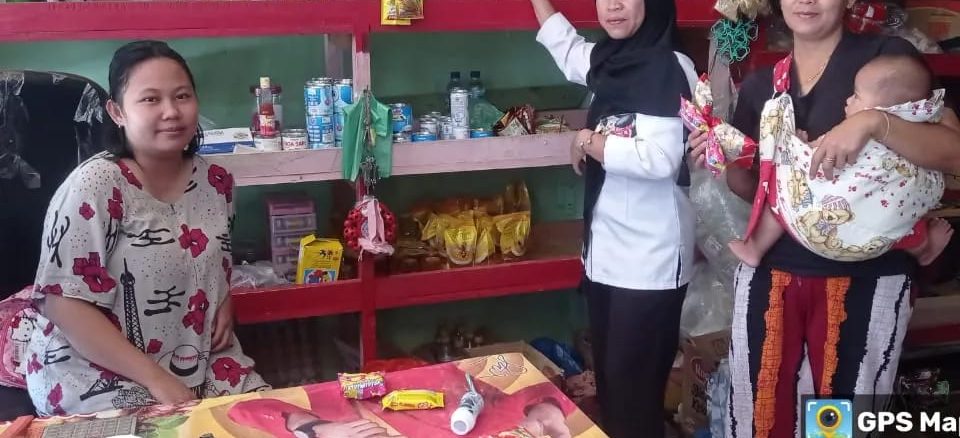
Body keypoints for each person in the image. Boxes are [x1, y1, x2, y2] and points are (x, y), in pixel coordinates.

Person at [687, 0, 960, 434]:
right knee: (761, 412)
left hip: (864, 282)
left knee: (837, 419)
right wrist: (725, 163)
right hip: (773, 275)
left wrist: (873, 123)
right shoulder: (762, 86)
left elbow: (953, 152)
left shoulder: (886, 63)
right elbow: (758, 189)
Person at [25, 40, 269, 416]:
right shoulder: (94, 185)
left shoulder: (216, 181)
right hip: (95, 369)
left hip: (198, 356)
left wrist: (223, 298)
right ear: (117, 112)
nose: (171, 112)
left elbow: (210, 256)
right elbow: (62, 303)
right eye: (151, 99)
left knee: (270, 420)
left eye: (182, 96)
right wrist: (157, 381)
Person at [530, 0, 698, 435]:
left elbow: (660, 158)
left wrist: (590, 141)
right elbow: (569, 50)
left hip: (650, 259)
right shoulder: (613, 59)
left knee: (633, 394)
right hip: (606, 253)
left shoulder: (666, 67)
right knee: (612, 387)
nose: (613, 5)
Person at [729, 54, 954, 267]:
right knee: (902, 205)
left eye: (856, 96)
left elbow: (814, 158)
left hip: (827, 231)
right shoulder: (917, 132)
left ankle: (755, 247)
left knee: (785, 183)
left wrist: (799, 145)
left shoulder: (852, 134)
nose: (848, 100)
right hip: (879, 239)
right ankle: (921, 246)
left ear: (881, 108)